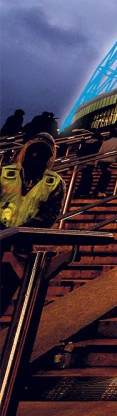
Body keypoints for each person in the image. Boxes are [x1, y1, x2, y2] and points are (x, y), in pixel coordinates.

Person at [0, 134, 65, 313]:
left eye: (43, 154)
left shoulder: (53, 182)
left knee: (4, 294)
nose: (37, 157)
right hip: (4, 238)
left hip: (21, 246)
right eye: (34, 151)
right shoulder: (5, 173)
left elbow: (50, 214)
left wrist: (21, 233)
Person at [94, 127, 117, 198]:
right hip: (110, 162)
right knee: (106, 177)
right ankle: (100, 191)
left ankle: (98, 191)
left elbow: (100, 152)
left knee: (104, 176)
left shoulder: (105, 142)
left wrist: (96, 162)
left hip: (102, 161)